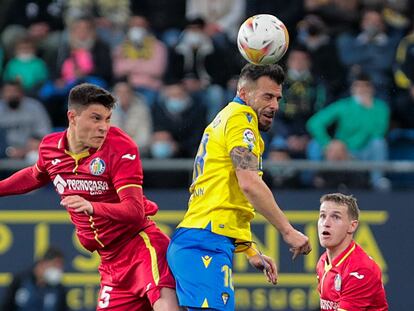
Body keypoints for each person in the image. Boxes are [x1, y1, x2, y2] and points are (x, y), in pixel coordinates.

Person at [0, 83, 179, 311]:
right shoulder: (50, 147)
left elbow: (134, 212)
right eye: (96, 118)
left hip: (141, 246)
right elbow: (35, 175)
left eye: (107, 119)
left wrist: (92, 206)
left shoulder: (120, 146)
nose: (103, 127)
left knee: (165, 303)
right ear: (72, 117)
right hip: (110, 261)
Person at [167, 64, 312, 310]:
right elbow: (249, 182)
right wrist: (287, 231)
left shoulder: (226, 117)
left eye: (278, 98)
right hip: (204, 242)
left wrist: (248, 247)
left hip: (202, 238)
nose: (275, 105)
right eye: (267, 96)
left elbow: (221, 192)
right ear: (244, 93)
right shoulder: (240, 119)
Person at [316, 193, 388, 310]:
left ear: (352, 226)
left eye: (336, 217)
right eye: (322, 216)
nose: (326, 223)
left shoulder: (361, 270)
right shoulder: (323, 261)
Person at [1, 247, 67, 311]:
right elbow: (6, 307)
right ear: (42, 263)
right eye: (55, 264)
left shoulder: (59, 289)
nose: (58, 269)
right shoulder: (20, 281)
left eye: (60, 266)